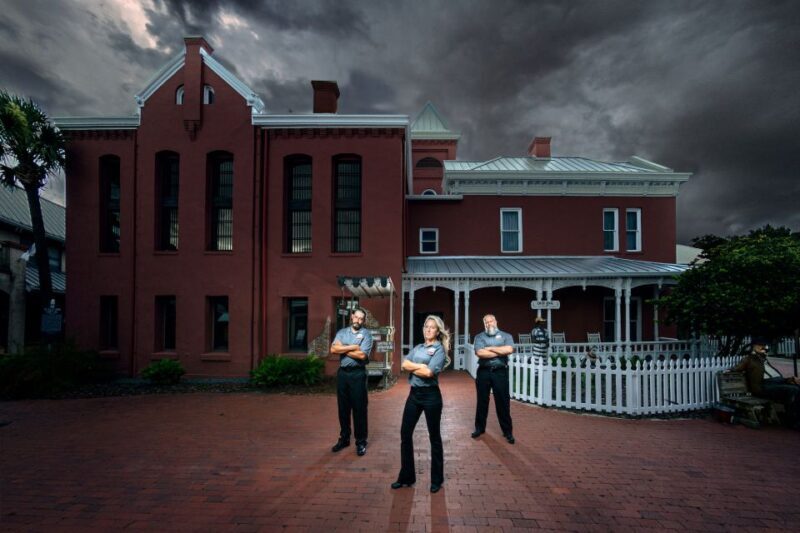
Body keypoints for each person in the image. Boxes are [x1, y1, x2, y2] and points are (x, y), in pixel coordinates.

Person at [392, 315, 449, 493]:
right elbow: (403, 365)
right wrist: (420, 366)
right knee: (405, 434)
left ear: (437, 331)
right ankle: (406, 476)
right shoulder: (417, 347)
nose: (428, 330)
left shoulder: (439, 349)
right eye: (426, 326)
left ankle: (437, 480)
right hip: (414, 395)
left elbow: (429, 373)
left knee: (434, 437)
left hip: (431, 397)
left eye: (432, 327)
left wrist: (414, 366)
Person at [728, 336, 800, 428]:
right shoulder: (749, 359)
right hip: (763, 387)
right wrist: (730, 370)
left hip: (777, 382)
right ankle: (793, 421)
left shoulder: (764, 359)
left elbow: (774, 375)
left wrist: (790, 379)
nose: (763, 347)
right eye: (760, 345)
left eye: (764, 345)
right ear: (754, 346)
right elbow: (737, 368)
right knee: (793, 390)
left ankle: (794, 417)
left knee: (796, 387)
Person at [330, 307, 374, 456]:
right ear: (352, 316)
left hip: (358, 375)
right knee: (343, 409)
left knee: (359, 409)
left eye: (361, 319)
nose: (358, 321)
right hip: (343, 374)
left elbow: (362, 356)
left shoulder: (367, 335)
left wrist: (343, 348)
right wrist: (353, 347)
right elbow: (333, 350)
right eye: (356, 317)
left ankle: (361, 442)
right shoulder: (342, 332)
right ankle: (344, 439)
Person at [471, 314, 515, 443]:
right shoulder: (479, 337)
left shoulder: (506, 336)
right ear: (484, 324)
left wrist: (489, 348)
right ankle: (479, 429)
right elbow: (480, 353)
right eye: (486, 322)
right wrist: (499, 351)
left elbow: (509, 349)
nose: (489, 324)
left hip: (500, 372)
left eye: (491, 321)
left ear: (496, 321)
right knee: (482, 401)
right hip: (484, 372)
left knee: (503, 402)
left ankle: (507, 432)